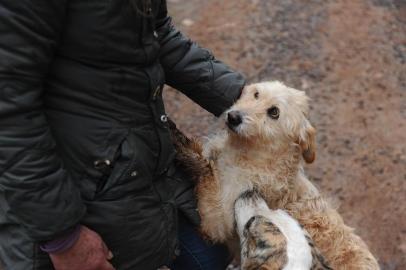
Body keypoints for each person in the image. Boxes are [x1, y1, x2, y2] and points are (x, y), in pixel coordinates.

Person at [0, 0, 245, 270]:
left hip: (137, 160)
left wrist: (250, 102)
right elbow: (9, 115)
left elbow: (156, 34)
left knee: (209, 257)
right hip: (71, 189)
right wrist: (62, 237)